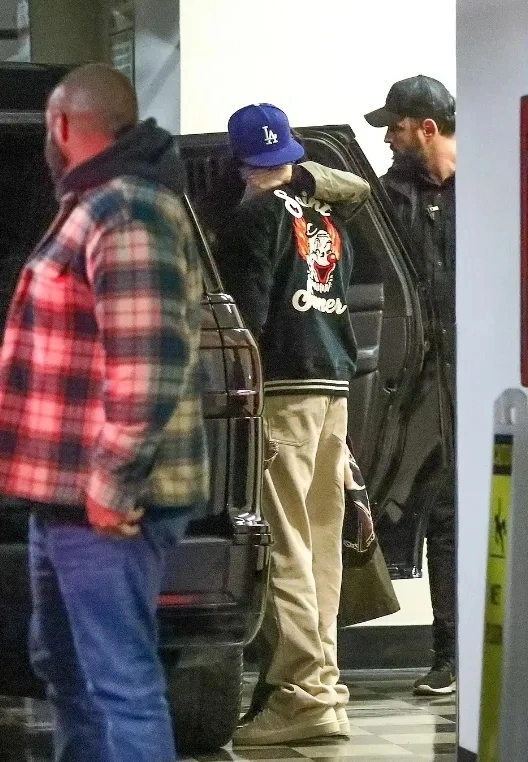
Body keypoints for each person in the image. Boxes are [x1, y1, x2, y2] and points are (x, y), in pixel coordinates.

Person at [0, 63, 208, 762]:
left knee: (118, 680)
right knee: (68, 670)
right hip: (66, 499)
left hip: (108, 505)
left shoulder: (129, 208)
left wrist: (111, 483)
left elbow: (149, 363)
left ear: (61, 125)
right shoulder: (99, 202)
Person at [214, 103, 370, 745]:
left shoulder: (253, 218)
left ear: (238, 162)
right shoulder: (325, 218)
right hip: (333, 390)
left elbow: (243, 321)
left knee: (284, 547)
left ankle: (301, 695)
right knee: (321, 547)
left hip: (282, 394)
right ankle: (325, 691)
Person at [365, 75, 456, 695]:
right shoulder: (389, 198)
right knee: (436, 509)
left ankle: (463, 654)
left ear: (426, 128)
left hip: (484, 373)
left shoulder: (493, 184)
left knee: (464, 511)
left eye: (394, 127)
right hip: (419, 383)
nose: (388, 139)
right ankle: (450, 654)